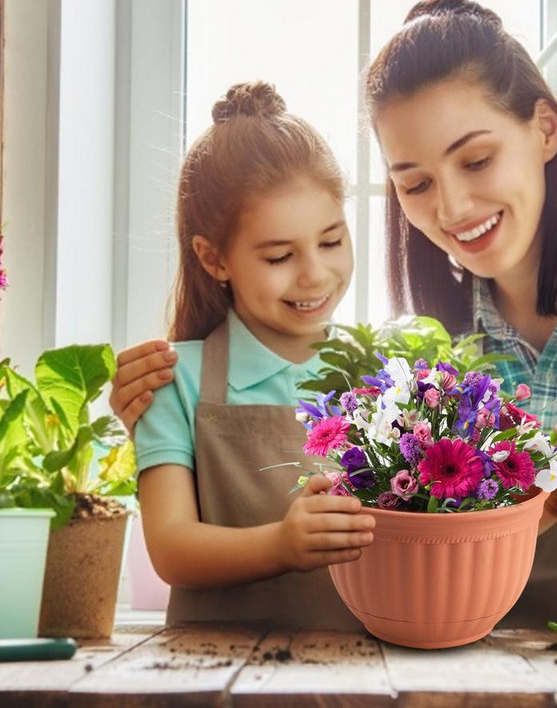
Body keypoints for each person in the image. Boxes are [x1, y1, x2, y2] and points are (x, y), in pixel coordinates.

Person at [112, 0, 557, 628]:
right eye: (417, 184)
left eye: (477, 159)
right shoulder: (420, 356)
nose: (452, 208)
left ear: (545, 129)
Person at [126, 80, 374, 628]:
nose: (315, 274)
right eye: (280, 255)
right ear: (214, 259)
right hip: (213, 674)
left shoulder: (382, 375)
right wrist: (280, 546)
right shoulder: (174, 380)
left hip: (363, 674)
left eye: (331, 241)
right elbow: (170, 548)